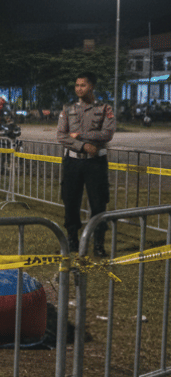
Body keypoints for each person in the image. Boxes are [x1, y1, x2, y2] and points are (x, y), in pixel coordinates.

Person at [57, 71, 116, 256]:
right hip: (73, 162)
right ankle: (72, 240)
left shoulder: (104, 108)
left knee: (98, 203)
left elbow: (107, 134)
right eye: (77, 85)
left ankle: (98, 244)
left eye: (83, 85)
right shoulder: (68, 109)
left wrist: (80, 135)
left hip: (95, 163)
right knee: (70, 202)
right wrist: (83, 146)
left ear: (92, 86)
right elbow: (61, 136)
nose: (79, 89)